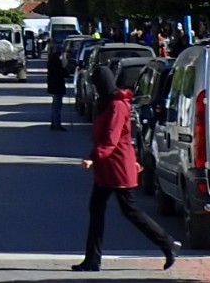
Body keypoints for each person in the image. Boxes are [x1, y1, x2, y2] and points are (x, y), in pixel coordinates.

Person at [73, 65, 176, 272]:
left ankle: (167, 243)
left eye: (96, 84)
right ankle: (92, 259)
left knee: (130, 210)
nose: (94, 88)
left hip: (116, 166)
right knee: (97, 209)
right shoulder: (106, 103)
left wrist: (93, 158)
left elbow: (112, 138)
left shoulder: (116, 105)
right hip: (108, 167)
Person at [47, 31, 72, 129]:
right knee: (57, 105)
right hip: (57, 85)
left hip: (53, 85)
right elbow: (61, 72)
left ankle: (54, 122)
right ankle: (56, 123)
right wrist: (67, 70)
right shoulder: (56, 61)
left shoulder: (52, 59)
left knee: (55, 104)